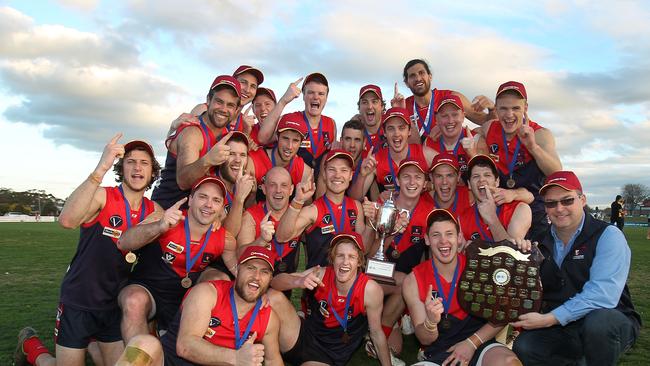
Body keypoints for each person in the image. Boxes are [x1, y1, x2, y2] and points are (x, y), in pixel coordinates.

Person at [14, 136, 161, 366]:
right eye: (130, 161)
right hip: (79, 300)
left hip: (114, 304)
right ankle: (31, 347)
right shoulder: (104, 196)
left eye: (144, 162)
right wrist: (100, 168)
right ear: (121, 168)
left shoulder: (155, 211)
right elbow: (67, 220)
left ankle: (92, 342)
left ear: (153, 172)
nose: (137, 167)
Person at [512, 171, 641, 366]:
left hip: (608, 320)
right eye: (551, 203)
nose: (559, 208)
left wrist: (550, 319)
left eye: (567, 200)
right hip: (562, 326)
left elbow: (602, 295)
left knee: (599, 325)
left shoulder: (608, 235)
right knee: (525, 345)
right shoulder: (538, 240)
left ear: (582, 200)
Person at [113, 245, 284, 366]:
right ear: (237, 271)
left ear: (270, 279)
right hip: (170, 361)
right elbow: (185, 346)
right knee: (144, 343)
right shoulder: (208, 293)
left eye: (264, 272)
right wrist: (236, 358)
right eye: (250, 268)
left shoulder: (269, 318)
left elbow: (272, 360)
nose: (256, 276)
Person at [117, 176, 238, 342]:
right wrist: (159, 226)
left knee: (220, 281)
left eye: (216, 200)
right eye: (203, 197)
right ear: (190, 200)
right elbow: (123, 242)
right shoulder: (165, 218)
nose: (209, 205)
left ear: (221, 208)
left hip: (184, 297)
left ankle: (184, 339)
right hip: (148, 290)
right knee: (133, 301)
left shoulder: (225, 239)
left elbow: (238, 271)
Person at [403, 209, 522, 366]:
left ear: (459, 237)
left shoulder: (479, 267)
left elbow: (502, 316)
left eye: (449, 234)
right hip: (441, 352)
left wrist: (471, 344)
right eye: (436, 235)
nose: (443, 241)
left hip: (480, 343)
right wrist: (431, 323)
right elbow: (424, 338)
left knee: (509, 363)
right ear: (426, 239)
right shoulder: (413, 280)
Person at [272, 232, 393, 366]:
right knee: (272, 296)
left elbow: (376, 332)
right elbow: (275, 282)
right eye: (340, 256)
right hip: (302, 337)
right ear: (332, 258)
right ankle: (266, 351)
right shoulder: (321, 273)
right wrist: (298, 281)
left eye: (351, 257)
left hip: (327, 355)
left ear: (359, 261)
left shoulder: (370, 290)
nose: (345, 262)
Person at [362, 157, 433, 361]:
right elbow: (368, 253)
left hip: (398, 285)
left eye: (418, 177)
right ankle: (377, 326)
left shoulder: (428, 211)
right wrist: (393, 231)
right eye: (406, 177)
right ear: (398, 180)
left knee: (396, 348)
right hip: (374, 275)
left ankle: (385, 325)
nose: (412, 182)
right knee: (407, 282)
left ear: (424, 183)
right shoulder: (382, 205)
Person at [476, 81, 562, 240]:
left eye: (515, 108)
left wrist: (533, 147)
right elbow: (465, 133)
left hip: (535, 211)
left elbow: (557, 173)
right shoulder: (490, 128)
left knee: (537, 261)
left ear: (525, 108)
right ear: (497, 108)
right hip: (504, 213)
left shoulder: (540, 134)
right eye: (503, 108)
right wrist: (441, 127)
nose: (509, 115)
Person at [151, 75, 241, 209]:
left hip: (199, 211)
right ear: (208, 100)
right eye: (219, 101)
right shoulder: (192, 132)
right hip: (167, 209)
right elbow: (183, 181)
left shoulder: (226, 135)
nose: (223, 109)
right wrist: (207, 160)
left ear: (236, 110)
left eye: (230, 105)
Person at [276, 149, 375, 269]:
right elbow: (281, 237)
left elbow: (363, 249)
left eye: (343, 170)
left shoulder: (356, 207)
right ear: (324, 173)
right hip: (319, 283)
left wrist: (370, 224)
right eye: (331, 170)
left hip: (348, 282)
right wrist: (297, 201)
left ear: (350, 175)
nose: (337, 175)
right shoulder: (313, 210)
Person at [391, 59, 495, 144]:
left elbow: (486, 121)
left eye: (421, 73)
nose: (418, 78)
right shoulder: (403, 106)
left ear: (430, 76)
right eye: (412, 76)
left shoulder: (452, 97)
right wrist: (398, 111)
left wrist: (492, 109)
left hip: (450, 162)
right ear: (406, 83)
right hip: (419, 163)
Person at [350, 107, 437, 200]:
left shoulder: (425, 154)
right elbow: (355, 199)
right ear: (385, 132)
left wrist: (430, 185)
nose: (396, 133)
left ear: (409, 131)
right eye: (391, 128)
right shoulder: (376, 160)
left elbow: (450, 178)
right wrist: (362, 176)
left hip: (421, 211)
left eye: (401, 128)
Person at [238, 167, 302, 284]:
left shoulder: (299, 216)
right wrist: (261, 240)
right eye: (272, 185)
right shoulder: (251, 216)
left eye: (284, 185)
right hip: (257, 281)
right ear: (264, 189)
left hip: (285, 281)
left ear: (291, 189)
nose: (278, 190)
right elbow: (239, 255)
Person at [458, 155, 531, 243]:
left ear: (497, 182)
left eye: (487, 175)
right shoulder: (462, 220)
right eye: (476, 176)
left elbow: (510, 254)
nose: (481, 179)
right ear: (469, 184)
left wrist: (492, 218)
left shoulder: (519, 209)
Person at [248, 114, 313, 202]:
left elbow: (307, 211)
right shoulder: (254, 160)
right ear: (277, 137)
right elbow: (243, 205)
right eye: (285, 138)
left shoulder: (305, 172)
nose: (289, 146)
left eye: (295, 140)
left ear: (301, 143)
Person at [424, 92, 479, 174]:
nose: (450, 120)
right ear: (436, 119)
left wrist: (473, 155)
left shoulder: (477, 139)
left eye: (455, 114)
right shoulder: (429, 143)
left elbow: (488, 179)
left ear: (463, 117)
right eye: (444, 116)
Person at [315, 119, 366, 198]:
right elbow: (320, 197)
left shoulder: (367, 162)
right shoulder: (330, 158)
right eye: (348, 139)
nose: (352, 145)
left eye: (357, 140)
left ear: (364, 143)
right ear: (341, 141)